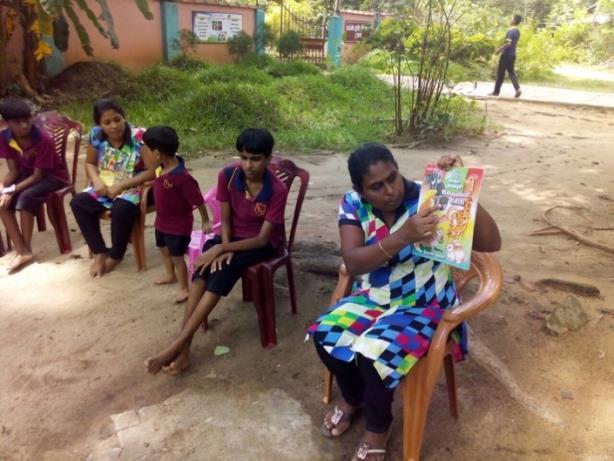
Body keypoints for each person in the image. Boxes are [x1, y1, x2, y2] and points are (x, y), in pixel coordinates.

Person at [308, 144, 501, 461]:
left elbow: (492, 243)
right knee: (325, 335)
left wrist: (463, 189)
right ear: (361, 190)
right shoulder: (353, 204)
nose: (390, 191)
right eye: (376, 186)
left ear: (398, 170)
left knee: (374, 355)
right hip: (373, 297)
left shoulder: (429, 197)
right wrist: (403, 236)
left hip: (425, 305)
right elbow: (354, 263)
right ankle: (354, 398)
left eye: (392, 178)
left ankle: (378, 427)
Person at [145, 128, 288, 375]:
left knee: (221, 269)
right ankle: (184, 348)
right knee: (202, 270)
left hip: (260, 245)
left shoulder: (276, 190)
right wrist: (223, 244)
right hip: (230, 238)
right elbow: (226, 218)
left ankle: (178, 346)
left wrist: (223, 248)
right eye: (243, 157)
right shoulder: (229, 175)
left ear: (268, 158)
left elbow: (264, 238)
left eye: (255, 159)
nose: (248, 165)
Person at [70, 97, 155, 277]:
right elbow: (91, 163)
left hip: (135, 185)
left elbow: (153, 171)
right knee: (78, 202)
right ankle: (100, 252)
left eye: (117, 119)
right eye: (107, 122)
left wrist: (122, 185)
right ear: (100, 124)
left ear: (124, 117)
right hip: (106, 185)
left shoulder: (139, 137)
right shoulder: (96, 135)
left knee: (121, 208)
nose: (114, 126)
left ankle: (116, 254)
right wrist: (97, 180)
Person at [142, 125, 212, 303]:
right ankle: (169, 274)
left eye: (147, 150)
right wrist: (154, 185)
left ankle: (183, 288)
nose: (144, 154)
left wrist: (205, 220)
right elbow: (161, 181)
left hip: (177, 226)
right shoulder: (161, 168)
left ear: (157, 153)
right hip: (162, 222)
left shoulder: (182, 178)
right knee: (164, 250)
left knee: (177, 256)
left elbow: (198, 200)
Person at [0, 97, 70, 272]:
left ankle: (26, 249)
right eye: (18, 122)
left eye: (27, 120)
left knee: (25, 196)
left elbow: (39, 176)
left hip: (53, 177)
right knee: (2, 203)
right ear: (7, 123)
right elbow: (14, 171)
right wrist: (3, 187)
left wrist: (12, 189)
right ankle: (21, 249)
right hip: (27, 176)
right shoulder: (4, 137)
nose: (24, 125)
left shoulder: (42, 139)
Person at [490, 14, 522, 98]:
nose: (510, 20)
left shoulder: (511, 31)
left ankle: (496, 92)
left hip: (506, 55)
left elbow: (508, 43)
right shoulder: (517, 31)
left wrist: (499, 50)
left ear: (514, 21)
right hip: (513, 55)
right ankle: (518, 89)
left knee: (500, 73)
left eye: (512, 18)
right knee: (511, 72)